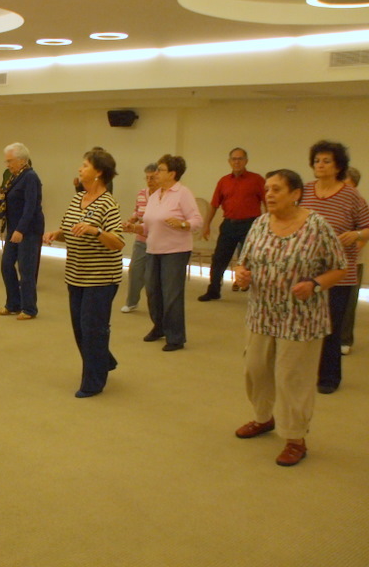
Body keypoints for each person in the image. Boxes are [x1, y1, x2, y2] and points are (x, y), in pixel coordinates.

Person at [234, 169, 346, 467]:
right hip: (262, 313)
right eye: (267, 189)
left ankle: (296, 438)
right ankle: (263, 418)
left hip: (301, 318)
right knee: (255, 370)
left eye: (277, 189)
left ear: (296, 194)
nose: (269, 194)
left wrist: (315, 284)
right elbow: (244, 263)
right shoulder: (260, 223)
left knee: (292, 378)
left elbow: (339, 267)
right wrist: (242, 274)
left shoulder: (317, 226)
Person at [44, 149, 124, 398]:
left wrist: (95, 231)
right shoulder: (78, 198)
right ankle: (104, 360)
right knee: (80, 328)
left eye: (85, 165)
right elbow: (70, 229)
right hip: (75, 274)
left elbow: (118, 242)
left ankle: (93, 382)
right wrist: (56, 234)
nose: (80, 169)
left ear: (98, 172)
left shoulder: (108, 204)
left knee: (92, 329)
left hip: (101, 278)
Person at [299, 140, 369, 394]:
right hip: (306, 268)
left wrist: (357, 235)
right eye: (317, 160)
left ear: (338, 165)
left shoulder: (351, 195)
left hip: (339, 272)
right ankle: (305, 372)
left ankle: (329, 377)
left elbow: (367, 227)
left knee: (330, 326)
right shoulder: (305, 191)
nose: (320, 165)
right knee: (305, 324)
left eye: (326, 161)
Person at [123, 155, 202, 351]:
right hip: (153, 249)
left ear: (172, 174)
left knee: (171, 294)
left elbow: (197, 221)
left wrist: (182, 224)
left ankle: (175, 337)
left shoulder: (182, 193)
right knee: (152, 292)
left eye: (160, 170)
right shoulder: (155, 195)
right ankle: (159, 327)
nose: (156, 173)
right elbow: (148, 227)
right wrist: (134, 228)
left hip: (175, 251)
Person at [198, 148, 265, 301]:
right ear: (229, 162)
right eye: (234, 159)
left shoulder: (257, 180)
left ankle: (254, 292)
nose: (237, 162)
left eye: (240, 159)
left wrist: (268, 226)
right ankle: (214, 290)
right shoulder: (224, 181)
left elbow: (268, 202)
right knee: (219, 259)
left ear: (246, 161)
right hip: (229, 225)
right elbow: (214, 205)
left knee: (251, 259)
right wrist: (206, 225)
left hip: (251, 225)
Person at [0, 142, 45, 320]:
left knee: (26, 270)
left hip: (28, 230)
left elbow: (30, 206)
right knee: (6, 265)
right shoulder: (14, 177)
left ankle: (29, 308)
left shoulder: (30, 177)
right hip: (14, 228)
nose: (8, 164)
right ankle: (13, 304)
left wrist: (21, 230)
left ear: (22, 160)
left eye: (10, 161)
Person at [121, 163, 158, 313]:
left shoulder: (163, 195)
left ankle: (155, 306)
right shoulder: (142, 193)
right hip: (141, 240)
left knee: (151, 277)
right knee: (135, 270)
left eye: (152, 178)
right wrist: (130, 221)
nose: (149, 181)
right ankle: (132, 302)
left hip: (157, 241)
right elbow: (137, 212)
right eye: (147, 178)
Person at [341, 167, 364, 356]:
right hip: (331, 262)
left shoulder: (359, 203)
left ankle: (345, 339)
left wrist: (350, 252)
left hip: (352, 262)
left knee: (348, 303)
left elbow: (363, 234)